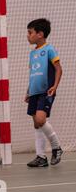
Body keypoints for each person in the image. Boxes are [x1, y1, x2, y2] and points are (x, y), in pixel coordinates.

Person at [25, 18, 63, 167]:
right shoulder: (32, 54)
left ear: (40, 34)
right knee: (36, 124)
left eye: (30, 33)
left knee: (41, 120)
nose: (28, 36)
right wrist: (28, 91)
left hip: (46, 91)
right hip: (34, 92)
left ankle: (56, 147)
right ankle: (41, 157)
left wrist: (55, 86)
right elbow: (33, 73)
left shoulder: (49, 49)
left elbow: (59, 68)